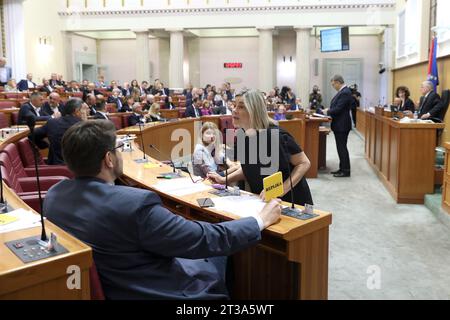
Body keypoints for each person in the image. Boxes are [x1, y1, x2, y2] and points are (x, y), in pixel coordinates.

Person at [43, 120, 281, 299]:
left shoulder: (54, 195)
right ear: (109, 159)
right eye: (119, 147)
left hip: (114, 285)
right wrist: (258, 220)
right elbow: (202, 239)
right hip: (160, 291)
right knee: (218, 249)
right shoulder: (135, 205)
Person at [208, 90, 313, 206]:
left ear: (254, 111)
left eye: (241, 107)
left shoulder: (276, 135)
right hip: (264, 200)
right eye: (235, 106)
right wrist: (224, 179)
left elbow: (304, 163)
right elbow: (249, 168)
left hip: (292, 200)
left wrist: (283, 188)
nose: (234, 110)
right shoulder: (244, 136)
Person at [34, 98, 89, 165]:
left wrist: (44, 145)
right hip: (80, 168)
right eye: (85, 109)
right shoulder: (83, 126)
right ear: (77, 111)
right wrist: (85, 122)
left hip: (55, 167)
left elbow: (32, 135)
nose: (88, 111)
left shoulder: (52, 122)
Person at [325, 75, 354, 178]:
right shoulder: (343, 91)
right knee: (340, 147)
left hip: (342, 125)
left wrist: (327, 111)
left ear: (338, 82)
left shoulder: (345, 92)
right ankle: (342, 168)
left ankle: (345, 171)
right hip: (340, 124)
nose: (333, 86)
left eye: (333, 84)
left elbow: (339, 109)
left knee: (342, 148)